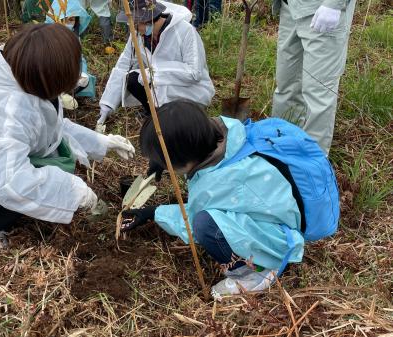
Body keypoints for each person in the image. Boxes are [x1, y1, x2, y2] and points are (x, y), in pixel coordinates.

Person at [0, 24, 135, 256]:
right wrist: (72, 190)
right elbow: (10, 183)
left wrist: (101, 142)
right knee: (30, 174)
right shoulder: (9, 109)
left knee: (42, 169)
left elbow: (51, 128)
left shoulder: (25, 83)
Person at [120, 100, 304, 299]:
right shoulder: (228, 137)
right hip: (281, 213)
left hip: (279, 238)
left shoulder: (216, 183)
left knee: (205, 224)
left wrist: (153, 212)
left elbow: (190, 222)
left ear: (183, 157)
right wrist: (163, 161)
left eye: (167, 162)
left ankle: (254, 273)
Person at [96, 0, 215, 131]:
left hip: (189, 89)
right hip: (159, 87)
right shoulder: (138, 34)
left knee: (162, 90)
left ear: (149, 20)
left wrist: (154, 73)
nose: (133, 29)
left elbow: (194, 72)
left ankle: (176, 118)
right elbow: (123, 64)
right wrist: (107, 105)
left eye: (136, 24)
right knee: (132, 79)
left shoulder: (185, 31)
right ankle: (154, 114)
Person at [271, 0, 356, 154]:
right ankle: (281, 148)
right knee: (286, 86)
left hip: (322, 9)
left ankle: (312, 164)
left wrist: (334, 4)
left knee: (318, 94)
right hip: (291, 7)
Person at [46, 0, 97, 105]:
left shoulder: (74, 37)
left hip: (68, 76)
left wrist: (81, 73)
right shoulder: (47, 37)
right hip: (50, 76)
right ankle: (55, 97)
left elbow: (79, 59)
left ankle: (65, 95)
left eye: (71, 20)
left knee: (85, 80)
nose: (67, 24)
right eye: (63, 20)